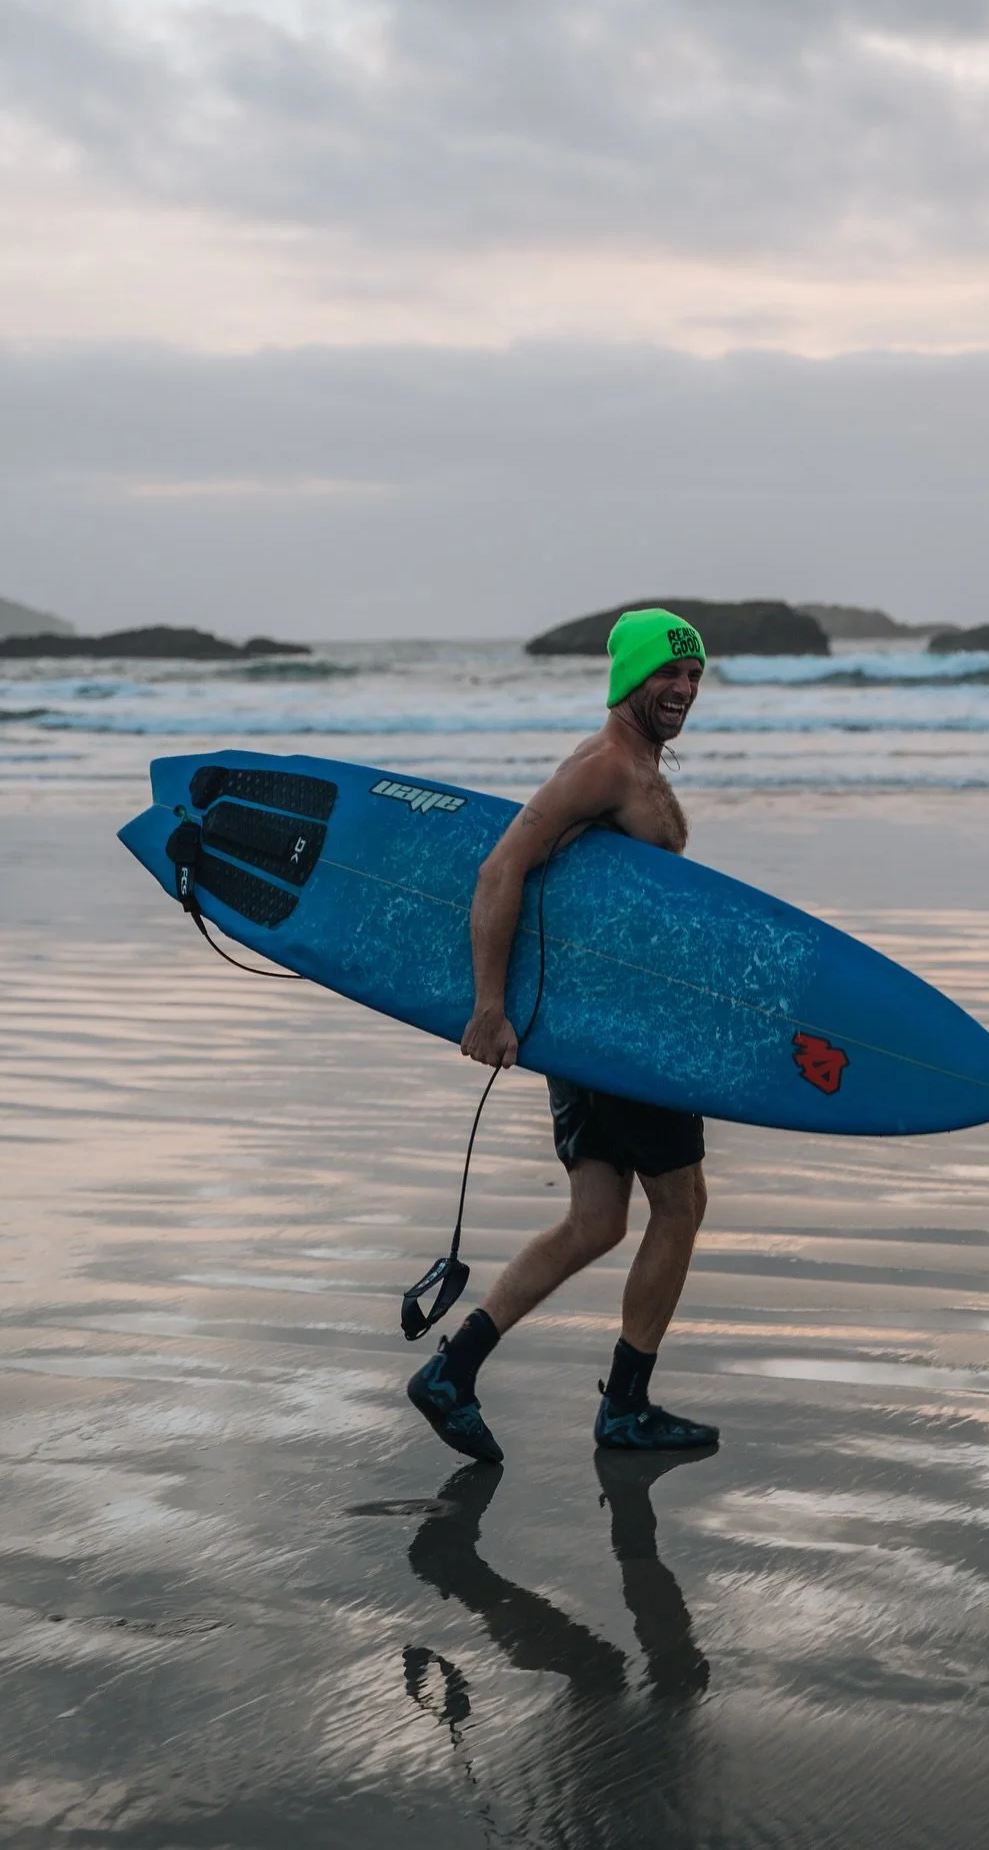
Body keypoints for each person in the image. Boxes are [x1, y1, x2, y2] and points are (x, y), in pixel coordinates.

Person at [408, 608, 718, 1463]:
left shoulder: (633, 766)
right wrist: (487, 1008)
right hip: (615, 1037)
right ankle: (625, 1406)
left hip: (593, 1025)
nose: (684, 690)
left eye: (694, 677)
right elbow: (502, 867)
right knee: (682, 1204)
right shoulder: (605, 767)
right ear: (631, 679)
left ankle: (452, 1371)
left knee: (594, 1220)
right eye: (669, 674)